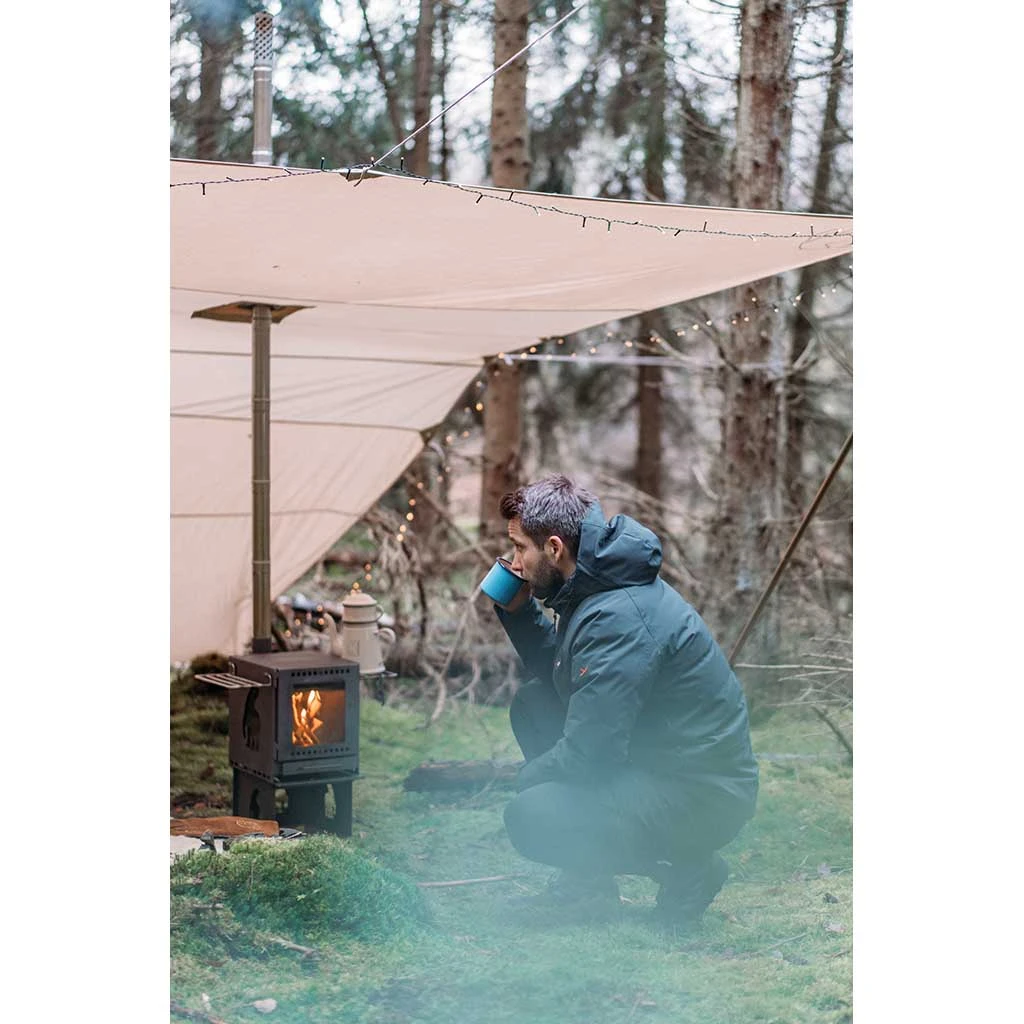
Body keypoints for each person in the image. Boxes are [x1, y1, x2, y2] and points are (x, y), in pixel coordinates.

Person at [492, 474, 758, 928]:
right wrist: (516, 612)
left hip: (702, 791)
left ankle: (687, 869)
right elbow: (568, 678)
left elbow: (591, 754)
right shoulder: (593, 586)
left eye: (520, 548)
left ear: (554, 548)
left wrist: (529, 778)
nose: (514, 562)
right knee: (536, 706)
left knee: (532, 816)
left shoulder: (617, 615)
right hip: (656, 759)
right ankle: (587, 885)